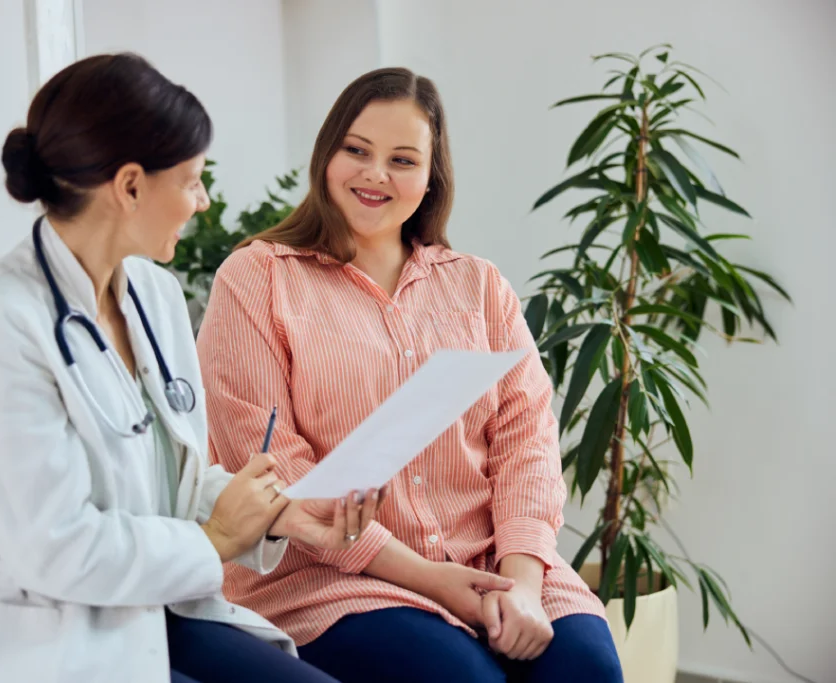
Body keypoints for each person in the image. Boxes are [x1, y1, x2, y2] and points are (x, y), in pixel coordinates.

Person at [0, 53, 381, 683]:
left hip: (152, 608)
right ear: (130, 187)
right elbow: (55, 547)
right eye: (190, 181)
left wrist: (274, 512)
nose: (202, 202)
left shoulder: (153, 296)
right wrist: (213, 540)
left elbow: (163, 482)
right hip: (44, 631)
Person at [195, 67, 624, 683]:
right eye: (357, 150)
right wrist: (436, 582)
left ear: (430, 178)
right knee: (462, 677)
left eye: (402, 159)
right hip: (333, 577)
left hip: (494, 558)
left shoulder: (479, 286)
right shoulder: (258, 278)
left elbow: (527, 444)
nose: (375, 174)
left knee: (586, 666)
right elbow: (271, 465)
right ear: (326, 155)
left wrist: (524, 582)